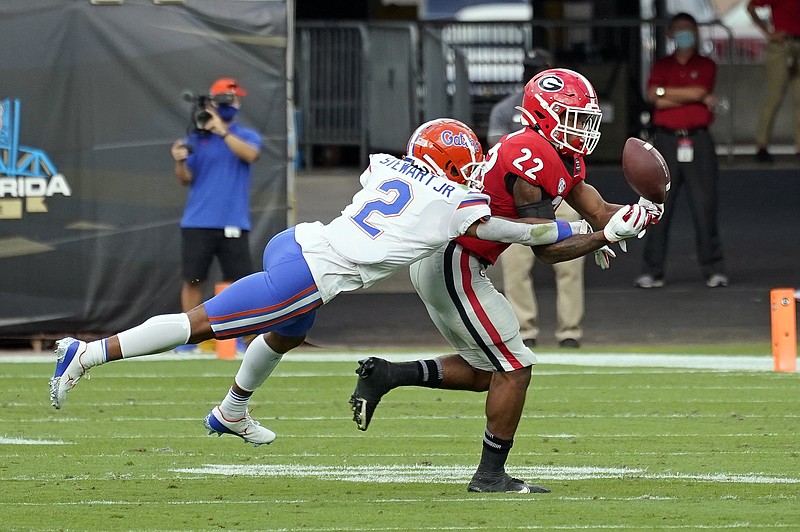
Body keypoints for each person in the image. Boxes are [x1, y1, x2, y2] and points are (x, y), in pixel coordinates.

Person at [49, 119, 653, 480]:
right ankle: (88, 353)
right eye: (464, 161)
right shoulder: (453, 203)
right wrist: (604, 231)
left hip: (297, 241)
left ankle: (232, 409)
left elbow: (427, 190)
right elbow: (525, 233)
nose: (473, 170)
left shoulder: (387, 167)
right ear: (451, 161)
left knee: (286, 333)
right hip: (309, 271)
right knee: (200, 324)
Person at [350, 69, 662, 494]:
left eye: (586, 119)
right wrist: (604, 237)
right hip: (453, 258)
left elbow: (597, 209)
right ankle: (490, 476)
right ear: (543, 114)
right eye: (573, 117)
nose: (583, 129)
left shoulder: (558, 155)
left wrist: (643, 210)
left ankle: (387, 374)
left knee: (489, 373)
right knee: (515, 368)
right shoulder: (528, 154)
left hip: (457, 260)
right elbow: (547, 248)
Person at [487, 48, 584, 349]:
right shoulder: (506, 109)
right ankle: (524, 329)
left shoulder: (565, 106)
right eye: (530, 68)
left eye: (539, 68)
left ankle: (570, 330)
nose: (533, 72)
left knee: (570, 264)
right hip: (520, 195)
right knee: (516, 268)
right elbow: (500, 153)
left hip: (559, 190)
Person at [634, 13, 728, 289]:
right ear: (671, 35)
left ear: (696, 32)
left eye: (690, 29)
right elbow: (654, 98)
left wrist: (669, 94)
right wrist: (690, 95)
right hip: (665, 141)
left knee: (705, 206)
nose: (685, 33)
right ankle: (652, 271)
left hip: (698, 141)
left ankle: (714, 268)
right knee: (658, 206)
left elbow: (700, 90)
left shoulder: (706, 64)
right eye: (680, 30)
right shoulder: (661, 64)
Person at [170, 77, 262, 351]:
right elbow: (185, 178)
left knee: (241, 284)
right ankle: (188, 341)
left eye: (233, 99)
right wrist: (179, 161)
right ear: (211, 102)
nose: (231, 104)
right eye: (225, 99)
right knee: (193, 279)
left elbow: (250, 155)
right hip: (198, 221)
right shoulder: (196, 138)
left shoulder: (246, 135)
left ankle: (243, 340)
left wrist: (222, 131)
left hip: (234, 222)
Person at [746, 0, 800, 162]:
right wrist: (768, 32)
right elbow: (750, 7)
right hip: (782, 45)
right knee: (774, 97)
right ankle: (762, 145)